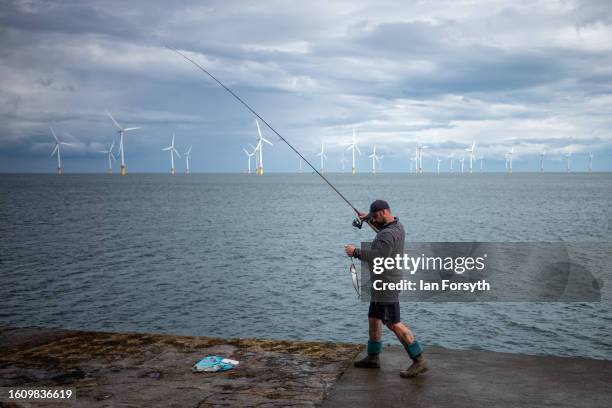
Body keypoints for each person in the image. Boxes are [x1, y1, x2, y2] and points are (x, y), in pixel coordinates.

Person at [344, 199, 428, 378]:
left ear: (383, 213)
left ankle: (419, 359)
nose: (373, 219)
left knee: (392, 322)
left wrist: (356, 252)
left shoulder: (387, 235)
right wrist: (367, 218)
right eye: (371, 217)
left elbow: (379, 256)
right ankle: (373, 357)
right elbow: (381, 231)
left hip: (386, 284)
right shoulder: (397, 226)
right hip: (381, 282)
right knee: (373, 318)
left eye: (375, 216)